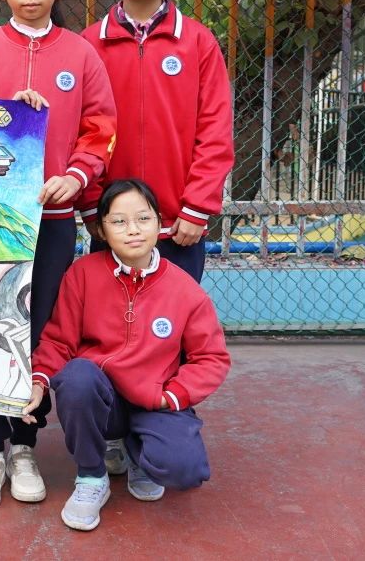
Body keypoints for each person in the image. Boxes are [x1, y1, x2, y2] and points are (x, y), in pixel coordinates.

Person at [0, 0, 116, 510]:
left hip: (54, 219)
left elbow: (101, 127)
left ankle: (24, 445)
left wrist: (77, 174)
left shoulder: (81, 55)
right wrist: (2, 115)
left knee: (38, 328)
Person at [25, 178, 230, 531]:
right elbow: (59, 341)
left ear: (159, 223)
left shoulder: (185, 289)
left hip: (154, 400)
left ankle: (140, 452)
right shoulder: (82, 274)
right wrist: (39, 381)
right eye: (118, 221)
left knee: (185, 470)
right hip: (104, 399)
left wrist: (173, 395)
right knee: (77, 377)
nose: (133, 230)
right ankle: (92, 476)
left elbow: (211, 358)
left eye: (143, 219)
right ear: (102, 230)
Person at [80, 0, 234, 285]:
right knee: (110, 317)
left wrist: (197, 206)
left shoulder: (198, 42)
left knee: (173, 317)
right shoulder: (88, 44)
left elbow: (215, 130)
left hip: (179, 225)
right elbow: (80, 131)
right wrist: (92, 206)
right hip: (113, 222)